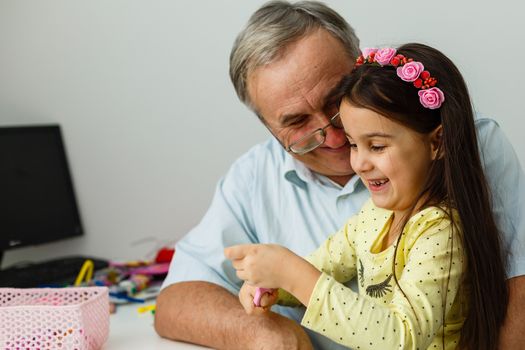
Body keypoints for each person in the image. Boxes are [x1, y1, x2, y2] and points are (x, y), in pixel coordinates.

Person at [154, 1, 525, 349]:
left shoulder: (459, 173)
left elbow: (405, 335)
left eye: (335, 100)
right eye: (297, 122)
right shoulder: (264, 180)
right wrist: (268, 308)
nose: (336, 139)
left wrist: (292, 274)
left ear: (360, 67)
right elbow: (175, 300)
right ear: (267, 127)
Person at [224, 43, 508, 350]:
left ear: (436, 141)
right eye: (353, 144)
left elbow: (402, 338)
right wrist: (274, 284)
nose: (358, 163)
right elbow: (325, 265)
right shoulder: (373, 215)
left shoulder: (439, 232)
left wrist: (293, 275)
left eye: (377, 146)